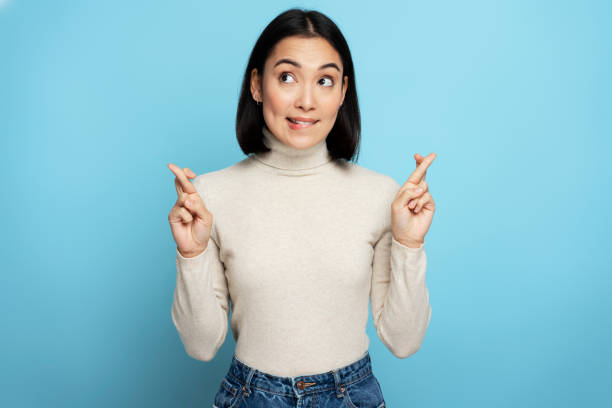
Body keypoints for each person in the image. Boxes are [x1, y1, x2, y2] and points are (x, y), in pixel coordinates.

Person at [167, 8, 436, 408]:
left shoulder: (381, 195)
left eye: (324, 81)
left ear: (343, 92)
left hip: (350, 395)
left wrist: (409, 244)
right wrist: (190, 253)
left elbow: (404, 341)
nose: (306, 101)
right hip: (251, 395)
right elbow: (202, 346)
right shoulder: (209, 196)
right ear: (257, 84)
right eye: (287, 77)